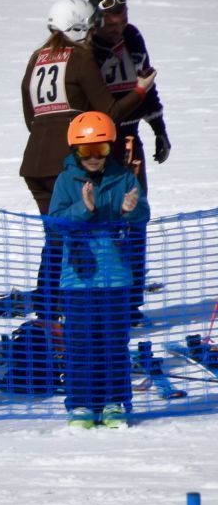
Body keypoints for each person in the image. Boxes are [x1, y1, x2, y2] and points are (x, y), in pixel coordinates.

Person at [20, 0, 146, 321]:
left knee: (56, 236)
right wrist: (141, 91)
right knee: (81, 232)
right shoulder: (80, 57)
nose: (92, 34)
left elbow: (29, 116)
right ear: (78, 28)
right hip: (69, 160)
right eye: (89, 28)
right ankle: (82, 309)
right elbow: (110, 111)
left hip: (35, 162)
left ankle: (48, 311)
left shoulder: (37, 58)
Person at [51, 112, 148, 429]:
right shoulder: (67, 181)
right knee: (81, 343)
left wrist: (130, 211)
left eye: (100, 150)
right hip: (79, 281)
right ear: (75, 152)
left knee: (112, 342)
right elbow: (56, 224)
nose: (93, 158)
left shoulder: (123, 178)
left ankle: (113, 402)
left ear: (110, 148)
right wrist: (85, 208)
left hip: (116, 278)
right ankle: (80, 404)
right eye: (85, 152)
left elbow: (142, 213)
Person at [89, 0, 166, 294]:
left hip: (131, 139)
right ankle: (103, 289)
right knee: (103, 214)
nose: (117, 28)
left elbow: (147, 85)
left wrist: (159, 129)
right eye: (110, 23)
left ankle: (132, 294)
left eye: (122, 20)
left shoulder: (133, 38)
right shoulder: (88, 49)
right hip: (99, 142)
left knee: (135, 213)